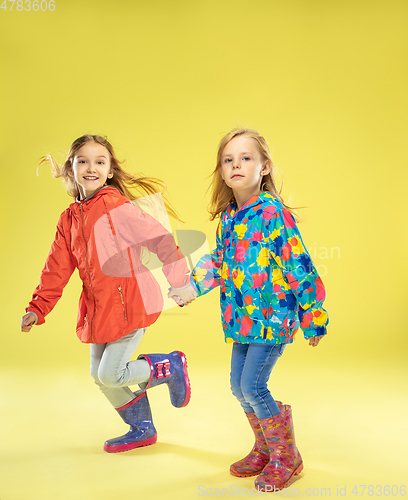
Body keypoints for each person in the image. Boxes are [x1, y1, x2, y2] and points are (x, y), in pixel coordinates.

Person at [20, 134, 197, 453]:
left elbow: (159, 239)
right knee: (99, 376)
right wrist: (38, 308)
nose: (91, 167)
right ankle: (141, 428)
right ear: (70, 169)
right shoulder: (69, 219)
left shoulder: (115, 205)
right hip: (98, 310)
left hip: (131, 303)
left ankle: (169, 365)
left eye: (99, 162)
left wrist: (180, 280)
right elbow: (56, 268)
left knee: (111, 373)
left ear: (110, 170)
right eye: (82, 161)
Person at [187, 128, 328, 491]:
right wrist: (192, 286)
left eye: (245, 158)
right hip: (242, 320)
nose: (236, 165)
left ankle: (287, 457)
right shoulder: (230, 217)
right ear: (220, 171)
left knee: (253, 385)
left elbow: (298, 262)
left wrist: (313, 315)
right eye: (228, 160)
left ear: (264, 167)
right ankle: (265, 448)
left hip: (273, 319)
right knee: (238, 386)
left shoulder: (271, 213)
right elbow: (219, 261)